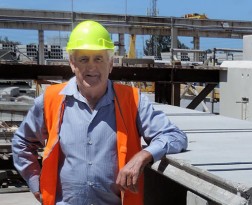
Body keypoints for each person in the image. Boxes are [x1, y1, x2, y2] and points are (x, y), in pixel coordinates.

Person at [12, 20, 187, 205]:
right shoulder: (51, 100)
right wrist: (36, 183)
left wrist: (142, 157)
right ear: (72, 63)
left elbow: (174, 136)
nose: (91, 67)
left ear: (110, 63)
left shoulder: (133, 101)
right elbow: (21, 142)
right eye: (83, 59)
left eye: (99, 58)